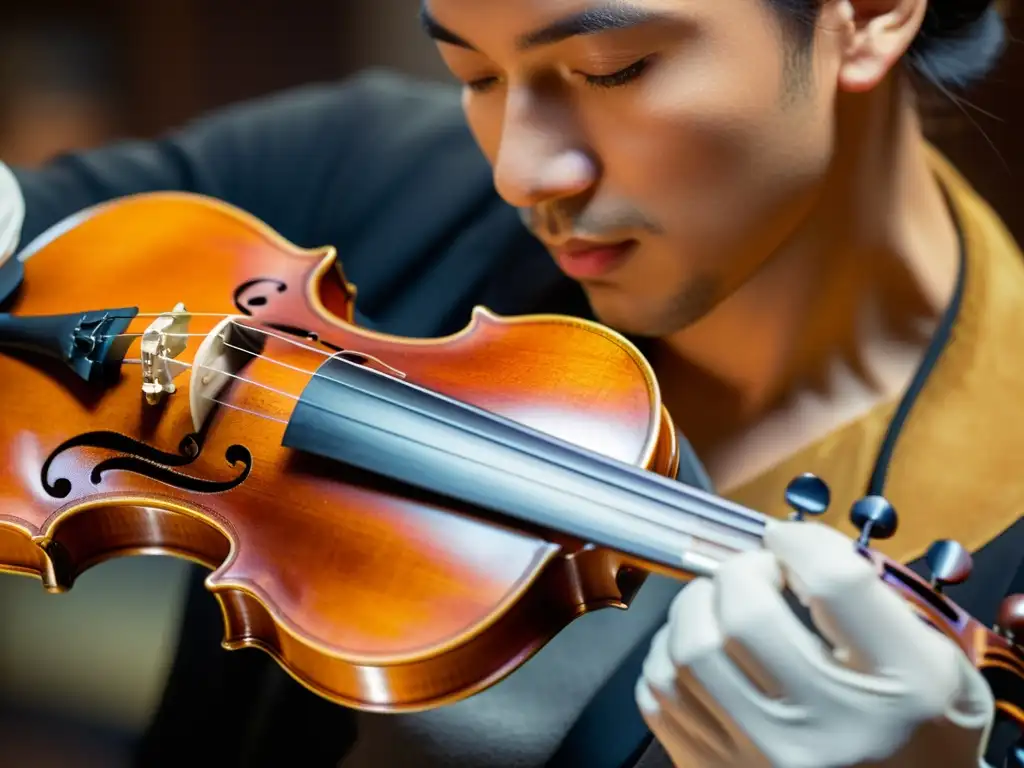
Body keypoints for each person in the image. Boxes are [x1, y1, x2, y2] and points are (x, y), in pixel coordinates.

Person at [1, 0, 1022, 766]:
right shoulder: (364, 173)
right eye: (474, 75)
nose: (520, 173)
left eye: (611, 69)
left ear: (872, 13)